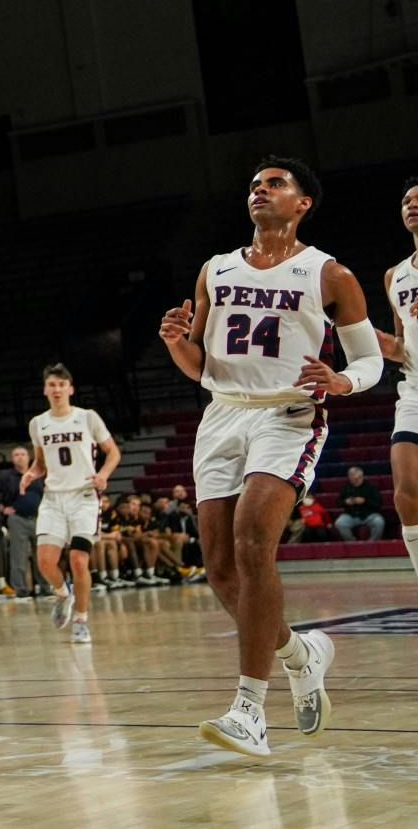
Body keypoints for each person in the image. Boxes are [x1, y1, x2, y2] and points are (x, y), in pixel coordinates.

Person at [158, 158, 376, 756]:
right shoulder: (215, 268)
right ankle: (300, 653)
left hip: (288, 414)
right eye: (255, 184)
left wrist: (343, 380)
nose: (260, 190)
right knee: (221, 571)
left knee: (254, 539)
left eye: (275, 184)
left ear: (303, 203)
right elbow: (200, 365)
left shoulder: (329, 273)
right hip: (221, 414)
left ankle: (249, 710)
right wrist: (177, 343)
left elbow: (368, 361)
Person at [26, 364, 120, 644]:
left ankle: (80, 619)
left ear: (70, 389)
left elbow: (113, 452)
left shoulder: (87, 417)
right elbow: (40, 463)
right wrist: (31, 473)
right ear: (45, 390)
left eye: (61, 384)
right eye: (52, 385)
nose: (57, 389)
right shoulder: (38, 423)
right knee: (45, 562)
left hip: (84, 497)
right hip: (53, 498)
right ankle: (62, 593)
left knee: (79, 560)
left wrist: (103, 475)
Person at [371, 177, 418, 582]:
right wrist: (387, 345)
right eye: (406, 201)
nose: (411, 205)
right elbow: (404, 344)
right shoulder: (395, 276)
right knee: (406, 494)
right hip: (415, 390)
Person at [0, 445, 39, 598]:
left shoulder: (37, 474)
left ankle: (44, 586)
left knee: (41, 554)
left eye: (23, 454)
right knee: (18, 555)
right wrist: (2, 508)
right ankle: (20, 589)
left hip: (38, 518)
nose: (20, 457)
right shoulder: (6, 476)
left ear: (29, 458)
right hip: (17, 519)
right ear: (12, 459)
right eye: (16, 455)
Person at [331, 466, 385, 542]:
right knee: (339, 523)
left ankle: (372, 543)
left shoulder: (371, 487)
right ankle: (353, 543)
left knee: (379, 521)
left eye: (355, 478)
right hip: (351, 515)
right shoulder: (346, 488)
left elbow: (378, 503)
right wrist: (346, 502)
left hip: (369, 514)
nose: (353, 479)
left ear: (361, 477)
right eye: (351, 477)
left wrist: (365, 501)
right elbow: (338, 503)